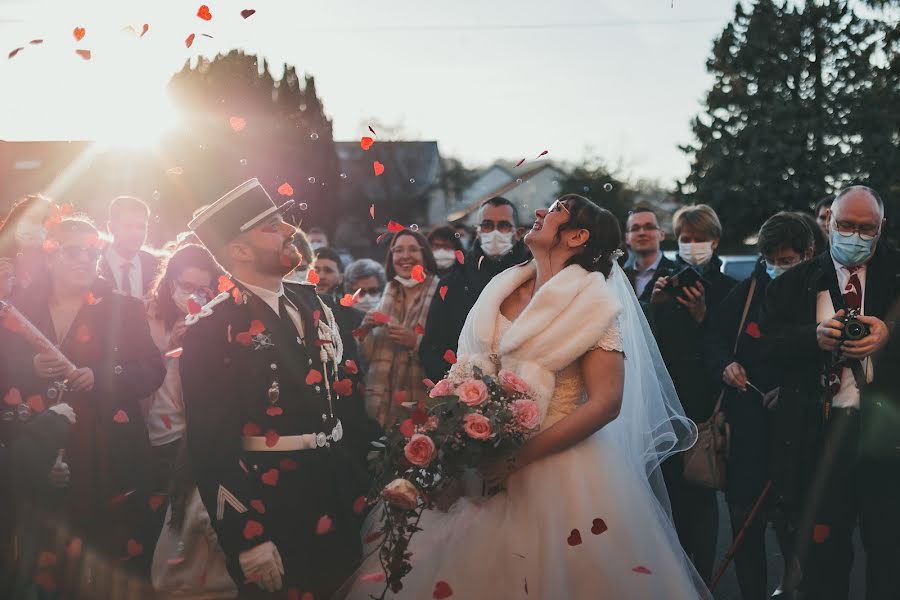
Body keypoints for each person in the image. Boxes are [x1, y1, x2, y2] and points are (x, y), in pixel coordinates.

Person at [341, 194, 707, 599]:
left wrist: (517, 458)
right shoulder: (501, 286)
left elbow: (607, 402)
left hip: (560, 471)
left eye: (555, 211)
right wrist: (452, 441)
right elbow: (466, 372)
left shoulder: (594, 303)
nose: (538, 212)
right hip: (478, 467)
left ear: (578, 236)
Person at [180, 179, 370, 598]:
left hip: (339, 495)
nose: (289, 231)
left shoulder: (312, 303)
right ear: (240, 252)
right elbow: (212, 448)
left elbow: (344, 401)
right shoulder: (211, 331)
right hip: (276, 507)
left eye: (282, 222)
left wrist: (371, 476)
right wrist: (246, 538)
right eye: (271, 227)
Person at [4, 215, 165, 597]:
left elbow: (152, 369)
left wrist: (103, 376)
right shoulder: (18, 308)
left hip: (105, 452)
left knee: (109, 562)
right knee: (41, 561)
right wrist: (28, 368)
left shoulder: (123, 308)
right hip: (38, 447)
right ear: (48, 258)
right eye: (71, 251)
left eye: (91, 252)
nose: (83, 259)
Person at [761, 186, 900, 600]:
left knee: (890, 554)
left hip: (886, 437)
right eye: (846, 225)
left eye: (866, 228)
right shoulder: (794, 284)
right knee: (825, 558)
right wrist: (814, 338)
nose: (855, 235)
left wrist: (887, 339)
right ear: (828, 223)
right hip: (819, 435)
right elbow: (767, 347)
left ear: (882, 228)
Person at [704, 212, 814, 599]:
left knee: (793, 524)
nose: (777, 268)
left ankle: (796, 583)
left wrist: (796, 391)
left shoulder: (818, 295)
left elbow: (829, 361)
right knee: (743, 521)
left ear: (807, 255)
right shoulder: (749, 289)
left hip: (798, 430)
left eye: (787, 260)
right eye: (771, 260)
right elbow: (714, 339)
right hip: (747, 427)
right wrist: (725, 366)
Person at [647, 203, 737, 581]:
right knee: (667, 499)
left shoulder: (730, 289)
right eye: (686, 238)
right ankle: (675, 576)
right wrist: (655, 304)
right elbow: (647, 342)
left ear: (715, 241)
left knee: (701, 492)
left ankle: (704, 576)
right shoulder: (666, 282)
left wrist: (703, 315)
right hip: (666, 407)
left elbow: (730, 350)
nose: (692, 245)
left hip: (705, 407)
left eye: (700, 238)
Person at [142, 245, 222, 526]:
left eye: (203, 289)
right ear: (169, 280)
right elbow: (138, 375)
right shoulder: (146, 315)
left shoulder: (216, 318)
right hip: (157, 431)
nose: (194, 295)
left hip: (198, 432)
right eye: (186, 286)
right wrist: (170, 345)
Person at [420, 197, 531, 382]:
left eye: (503, 225)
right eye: (487, 225)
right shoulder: (453, 282)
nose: (494, 232)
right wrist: (456, 388)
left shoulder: (533, 277)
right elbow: (432, 347)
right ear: (478, 231)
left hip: (524, 389)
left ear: (518, 232)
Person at [360, 229, 440, 429]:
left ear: (425, 256)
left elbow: (452, 348)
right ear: (391, 257)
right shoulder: (387, 295)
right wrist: (365, 329)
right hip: (383, 410)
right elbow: (366, 357)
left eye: (413, 249)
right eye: (398, 250)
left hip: (427, 406)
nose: (405, 256)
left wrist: (416, 342)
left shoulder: (441, 293)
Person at [99, 195, 161, 298]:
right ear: (111, 228)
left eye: (141, 227)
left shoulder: (155, 266)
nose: (135, 233)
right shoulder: (95, 262)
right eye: (128, 226)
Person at [0, 194, 56, 299]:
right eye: (32, 218)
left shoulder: (52, 269)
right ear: (16, 220)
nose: (38, 227)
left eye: (44, 221)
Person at [623, 207, 676, 301]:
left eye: (649, 227)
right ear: (627, 238)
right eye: (635, 228)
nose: (642, 233)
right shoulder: (621, 277)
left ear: (661, 234)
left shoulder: (676, 272)